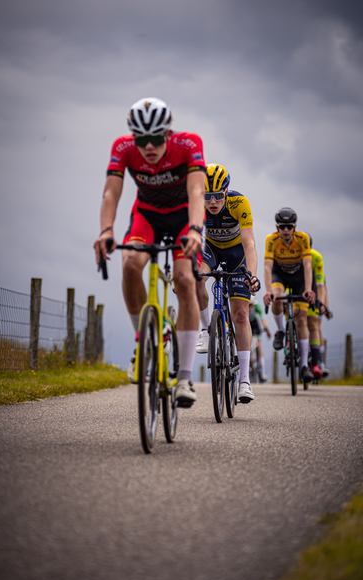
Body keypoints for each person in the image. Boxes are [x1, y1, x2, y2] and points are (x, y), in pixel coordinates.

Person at [94, 97, 206, 408]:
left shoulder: (189, 143)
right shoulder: (123, 149)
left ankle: (184, 377)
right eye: (142, 140)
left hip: (185, 217)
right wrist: (106, 231)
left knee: (184, 279)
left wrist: (196, 229)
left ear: (168, 134)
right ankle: (143, 342)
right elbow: (110, 192)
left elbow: (197, 190)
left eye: (156, 138)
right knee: (130, 264)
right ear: (133, 137)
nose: (149, 146)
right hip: (148, 216)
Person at [194, 163, 260, 404]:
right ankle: (206, 330)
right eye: (207, 196)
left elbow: (249, 244)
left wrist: (251, 274)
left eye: (218, 196)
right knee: (197, 278)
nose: (212, 202)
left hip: (236, 254)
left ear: (226, 192)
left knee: (241, 314)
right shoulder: (196, 204)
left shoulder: (238, 203)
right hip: (210, 249)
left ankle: (244, 379)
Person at [263, 207, 316, 384]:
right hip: (280, 275)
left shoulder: (303, 239)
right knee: (277, 297)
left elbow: (308, 266)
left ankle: (304, 367)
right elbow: (268, 267)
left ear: (294, 227)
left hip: (299, 278)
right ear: (277, 227)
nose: (285, 230)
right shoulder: (271, 240)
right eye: (282, 227)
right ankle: (280, 331)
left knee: (301, 320)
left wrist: (308, 289)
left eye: (289, 227)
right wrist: (268, 290)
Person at [306, 234, 327, 378]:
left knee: (315, 324)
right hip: (297, 287)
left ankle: (319, 362)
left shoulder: (316, 257)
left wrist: (322, 303)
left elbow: (321, 285)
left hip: (314, 289)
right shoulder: (292, 254)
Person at [249, 295, 272, 382]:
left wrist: (267, 330)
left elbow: (263, 320)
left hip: (255, 324)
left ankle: (262, 372)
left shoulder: (257, 307)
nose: (250, 307)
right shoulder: (244, 305)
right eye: (249, 305)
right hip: (246, 323)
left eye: (252, 305)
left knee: (259, 345)